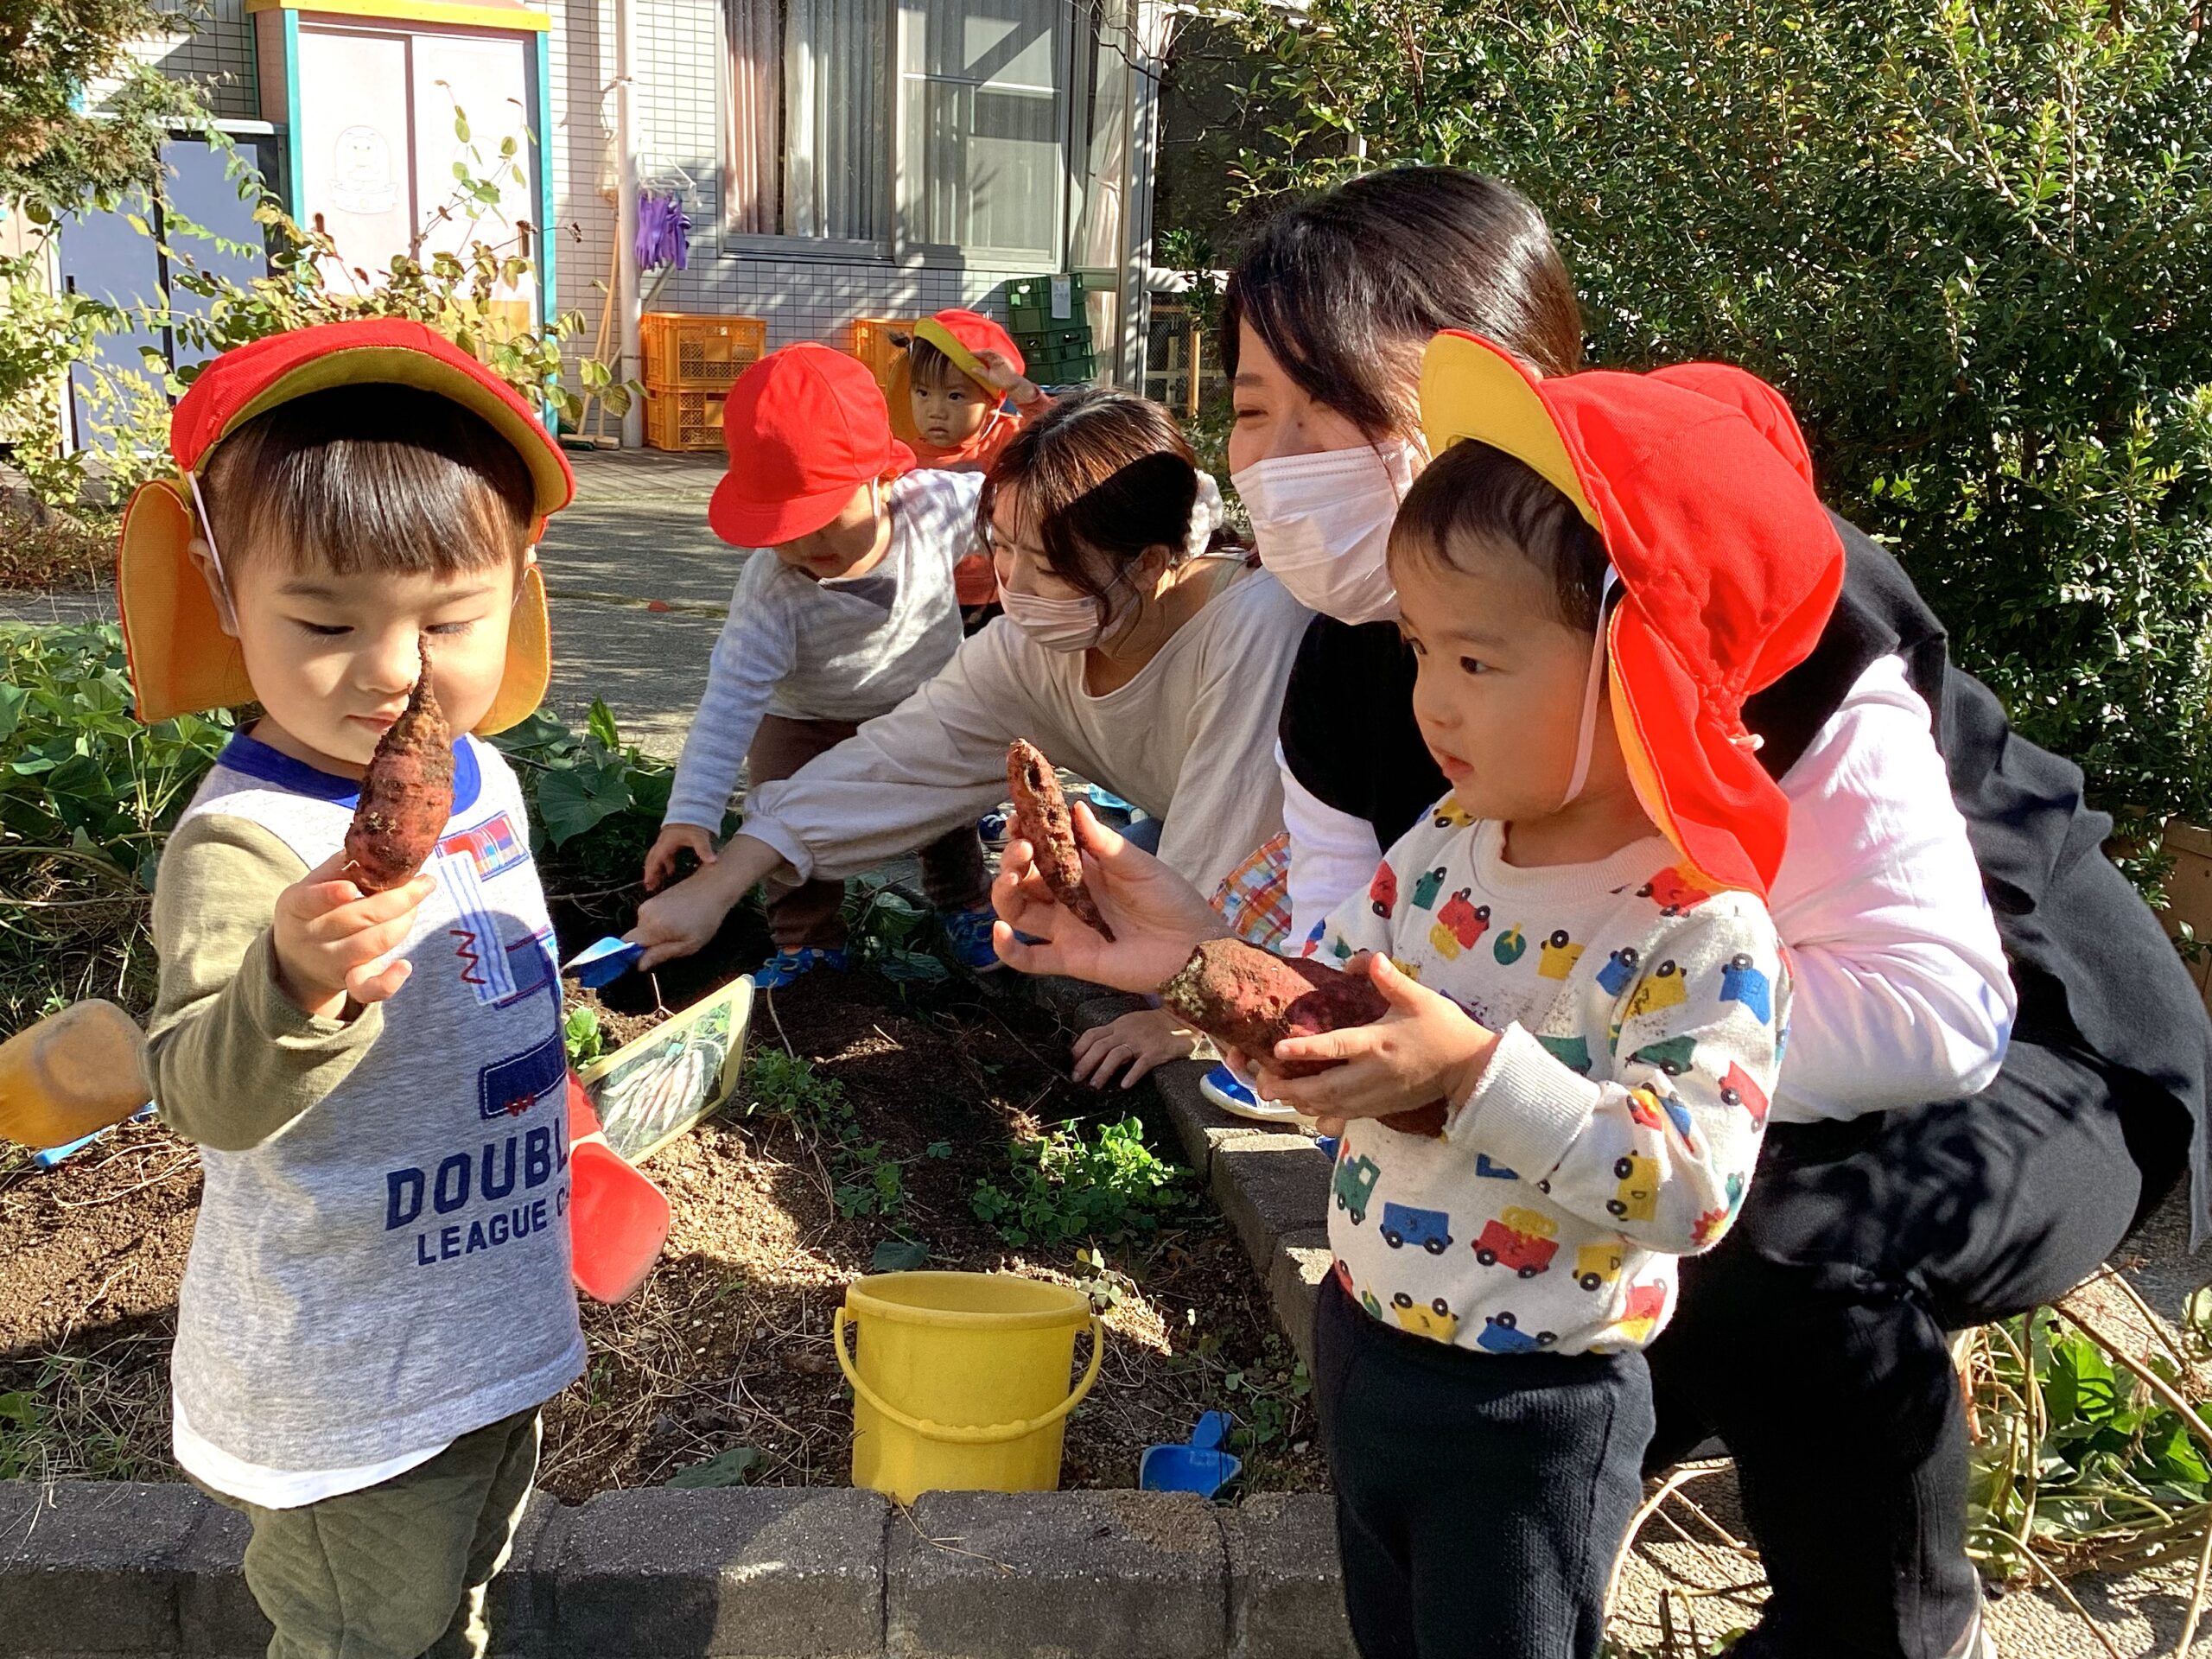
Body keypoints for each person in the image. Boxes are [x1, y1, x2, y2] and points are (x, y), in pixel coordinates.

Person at [1224, 165, 2207, 1658]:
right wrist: (1185, 950)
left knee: (1777, 1242)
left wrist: (1503, 1062)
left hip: (2030, 1053)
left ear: (1502, 389)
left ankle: (1879, 1628)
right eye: (1249, 412)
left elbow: (1932, 1013)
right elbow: (1365, 978)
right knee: (1527, 1267)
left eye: (1335, 408)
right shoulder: (1347, 669)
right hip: (1678, 1057)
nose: (1282, 465)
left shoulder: (1736, 593)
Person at [987, 332, 1853, 1657]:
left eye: (1478, 661)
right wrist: (1176, 950)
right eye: (1419, 652)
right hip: (1369, 1339)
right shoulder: (1449, 847)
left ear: (1643, 667)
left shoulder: (1699, 926)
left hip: (1533, 1411)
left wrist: (1468, 1075)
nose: (1431, 699)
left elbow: (1693, 1189)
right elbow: (1327, 1014)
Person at [124, 319, 586, 1659]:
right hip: (348, 1377)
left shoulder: (481, 775)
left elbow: (495, 990)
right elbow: (204, 1096)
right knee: (359, 1634)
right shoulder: (247, 846)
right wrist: (289, 981)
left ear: (521, 580)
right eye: (324, 622)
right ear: (222, 593)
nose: (392, 673)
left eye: (448, 621)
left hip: (487, 1323)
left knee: (457, 1594)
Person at [626, 389, 1313, 1043]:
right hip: (1192, 842)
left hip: (1310, 877)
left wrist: (1184, 1014)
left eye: (1044, 563)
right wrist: (718, 883)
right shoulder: (1031, 647)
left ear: (1148, 564)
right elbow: (900, 760)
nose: (1012, 584)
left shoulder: (1253, 627)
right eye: (1002, 548)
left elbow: (1230, 838)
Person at [639, 343, 997, 988]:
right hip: (803, 717)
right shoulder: (773, 587)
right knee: (778, 812)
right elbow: (728, 703)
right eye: (782, 524)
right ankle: (808, 944)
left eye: (823, 517)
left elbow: (1017, 505)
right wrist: (690, 811)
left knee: (948, 818)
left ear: (883, 478)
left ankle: (966, 905)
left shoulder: (936, 509)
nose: (805, 543)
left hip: (919, 704)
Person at [899, 308, 1052, 626]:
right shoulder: (902, 456)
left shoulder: (1006, 439)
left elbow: (1064, 435)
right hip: (927, 599)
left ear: (992, 401)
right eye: (922, 393)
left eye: (955, 396)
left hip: (1002, 596)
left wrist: (1019, 389)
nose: (935, 411)